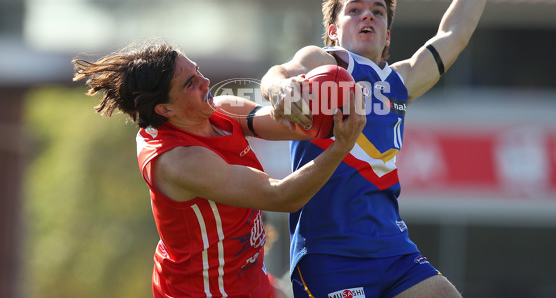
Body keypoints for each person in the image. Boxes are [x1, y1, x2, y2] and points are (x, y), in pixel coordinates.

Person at [260, 0, 503, 298]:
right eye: (353, 11)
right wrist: (280, 91)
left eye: (377, 12)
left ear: (388, 36)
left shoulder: (399, 81)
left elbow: (454, 34)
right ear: (333, 32)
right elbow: (278, 73)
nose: (366, 17)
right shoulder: (325, 63)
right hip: (329, 253)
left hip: (392, 250)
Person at [72, 39, 365, 298]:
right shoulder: (179, 161)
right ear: (165, 110)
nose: (205, 80)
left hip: (250, 282)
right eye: (190, 83)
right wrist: (341, 146)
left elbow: (298, 127)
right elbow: (282, 197)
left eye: (197, 70)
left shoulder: (220, 110)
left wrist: (300, 97)